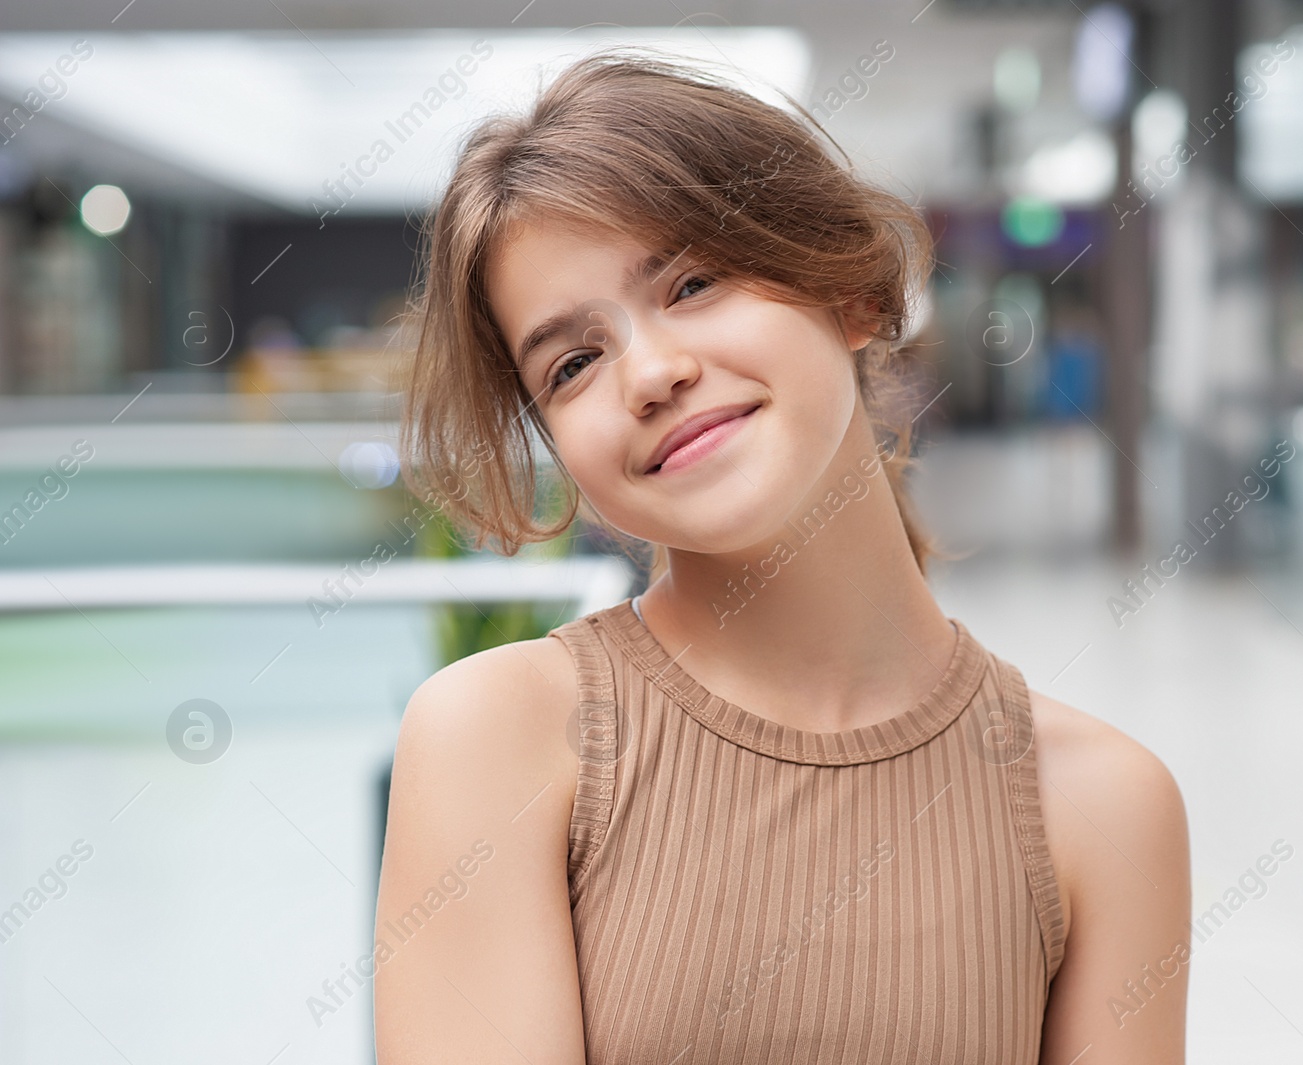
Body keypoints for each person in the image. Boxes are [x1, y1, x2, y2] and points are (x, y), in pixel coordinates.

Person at [374, 47, 1189, 1064]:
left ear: (845, 287)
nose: (654, 373)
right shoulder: (501, 741)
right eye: (574, 362)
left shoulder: (1103, 805)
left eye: (694, 281)